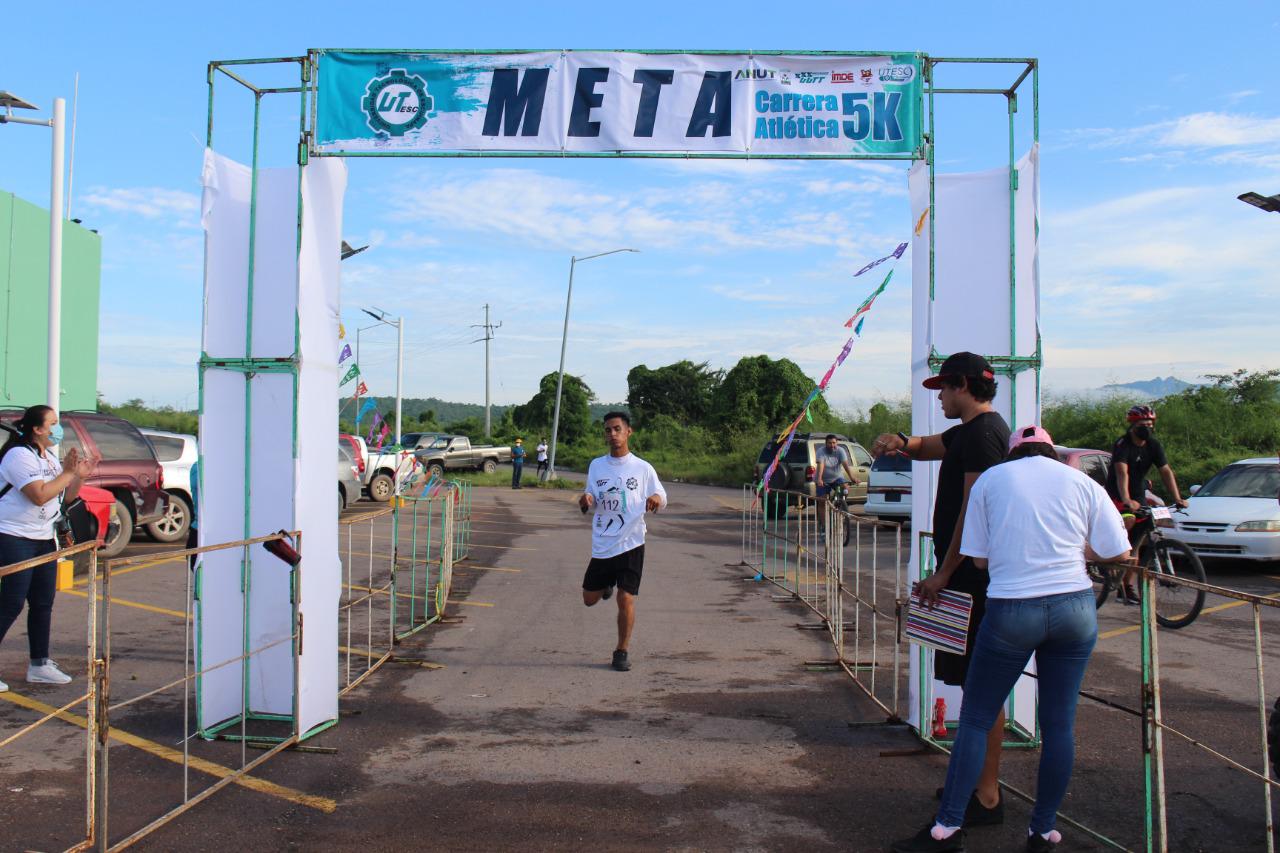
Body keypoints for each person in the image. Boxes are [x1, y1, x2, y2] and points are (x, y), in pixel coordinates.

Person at [891, 426, 1131, 853]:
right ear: (1052, 452)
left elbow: (979, 560)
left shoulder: (992, 480)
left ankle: (947, 829)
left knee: (978, 718)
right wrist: (1082, 552)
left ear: (1013, 453)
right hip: (1074, 607)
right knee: (1059, 726)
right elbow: (1118, 550)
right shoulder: (1081, 482)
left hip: (1012, 608)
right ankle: (1041, 832)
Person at [872, 351, 1010, 827]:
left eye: (945, 391)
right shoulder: (972, 432)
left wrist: (944, 574)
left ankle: (987, 794)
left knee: (980, 689)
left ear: (965, 387)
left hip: (971, 579)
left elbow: (974, 514)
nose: (941, 399)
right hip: (963, 576)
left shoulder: (984, 437)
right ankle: (974, 781)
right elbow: (931, 445)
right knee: (971, 685)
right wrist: (899, 442)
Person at [0, 405, 97, 693]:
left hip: (43, 538)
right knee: (11, 602)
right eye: (53, 423)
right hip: (13, 536)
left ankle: (40, 664)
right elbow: (39, 496)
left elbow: (64, 498)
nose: (58, 428)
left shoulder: (49, 457)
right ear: (37, 429)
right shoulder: (18, 456)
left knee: (43, 602)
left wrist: (78, 476)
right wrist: (67, 473)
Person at [578, 411, 667, 672]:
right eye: (608, 430)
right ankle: (604, 585)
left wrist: (656, 500)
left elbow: (661, 493)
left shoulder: (642, 468)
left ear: (629, 431)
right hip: (604, 543)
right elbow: (589, 494)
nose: (613, 434)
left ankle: (621, 651)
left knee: (625, 597)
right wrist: (585, 500)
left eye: (617, 429)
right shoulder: (597, 466)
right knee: (588, 599)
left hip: (632, 543)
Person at [1104, 405, 1188, 603]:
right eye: (1143, 424)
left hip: (1139, 495)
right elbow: (1121, 474)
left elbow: (1165, 471)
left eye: (1150, 424)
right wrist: (1125, 499)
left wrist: (1177, 498)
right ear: (1133, 425)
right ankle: (1110, 552)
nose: (1147, 428)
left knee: (1137, 544)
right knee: (1130, 520)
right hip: (1118, 494)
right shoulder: (1123, 444)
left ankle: (1126, 586)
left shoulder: (1153, 445)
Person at [814, 434, 859, 539]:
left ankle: (840, 504)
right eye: (829, 443)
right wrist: (819, 479)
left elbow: (845, 465)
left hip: (837, 478)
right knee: (822, 501)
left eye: (834, 443)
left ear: (837, 443)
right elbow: (821, 466)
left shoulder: (840, 451)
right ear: (826, 443)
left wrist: (852, 478)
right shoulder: (821, 451)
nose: (832, 445)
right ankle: (824, 527)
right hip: (823, 479)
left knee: (846, 488)